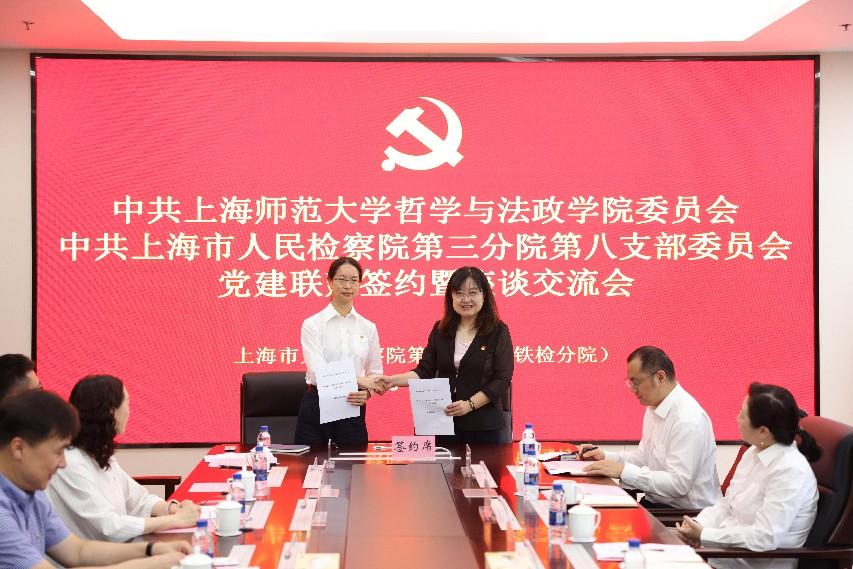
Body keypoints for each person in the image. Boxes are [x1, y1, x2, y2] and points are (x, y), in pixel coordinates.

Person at [0, 389, 189, 568]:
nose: (63, 463)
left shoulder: (33, 494)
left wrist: (150, 549)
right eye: (58, 452)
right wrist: (153, 563)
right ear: (19, 448)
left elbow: (77, 551)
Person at [676, 383, 821, 569]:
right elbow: (727, 506)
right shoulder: (754, 452)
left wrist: (705, 535)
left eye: (742, 415)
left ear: (763, 431)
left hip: (751, 562)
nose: (737, 418)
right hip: (721, 553)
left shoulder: (790, 471)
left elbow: (764, 537)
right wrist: (697, 525)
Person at [47, 375, 200, 541]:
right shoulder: (70, 463)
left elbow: (139, 500)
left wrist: (173, 508)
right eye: (127, 403)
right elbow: (109, 527)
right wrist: (176, 520)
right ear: (111, 411)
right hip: (100, 554)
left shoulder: (100, 453)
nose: (129, 410)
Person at [382, 266, 513, 444]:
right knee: (441, 463)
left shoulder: (498, 331)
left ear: (484, 295)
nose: (465, 299)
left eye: (472, 293)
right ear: (451, 296)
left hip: (483, 425)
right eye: (459, 293)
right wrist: (392, 381)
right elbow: (424, 371)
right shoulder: (440, 329)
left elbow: (502, 379)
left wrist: (469, 405)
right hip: (442, 421)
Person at [580, 346, 721, 509]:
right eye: (630, 382)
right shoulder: (654, 408)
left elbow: (679, 484)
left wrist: (622, 471)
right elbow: (644, 458)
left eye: (636, 382)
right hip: (657, 504)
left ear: (660, 377)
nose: (633, 389)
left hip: (686, 513)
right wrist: (604, 457)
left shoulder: (687, 419)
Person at [294, 256, 386, 445]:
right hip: (318, 404)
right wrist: (360, 380)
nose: (348, 286)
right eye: (341, 279)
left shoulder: (368, 327)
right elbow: (318, 373)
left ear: (360, 284)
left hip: (352, 403)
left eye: (354, 280)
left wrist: (367, 392)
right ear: (329, 281)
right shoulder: (312, 324)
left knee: (353, 461)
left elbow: (375, 373)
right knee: (310, 461)